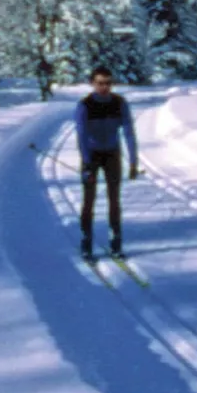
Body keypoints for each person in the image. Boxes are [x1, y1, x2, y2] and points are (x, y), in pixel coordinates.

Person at [74, 65, 139, 258]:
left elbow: (129, 132)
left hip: (112, 154)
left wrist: (134, 161)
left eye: (108, 83)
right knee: (89, 200)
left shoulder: (120, 103)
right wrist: (86, 164)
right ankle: (86, 243)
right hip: (92, 156)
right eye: (100, 83)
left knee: (114, 200)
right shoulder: (84, 105)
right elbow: (82, 136)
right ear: (93, 84)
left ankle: (116, 243)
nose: (105, 87)